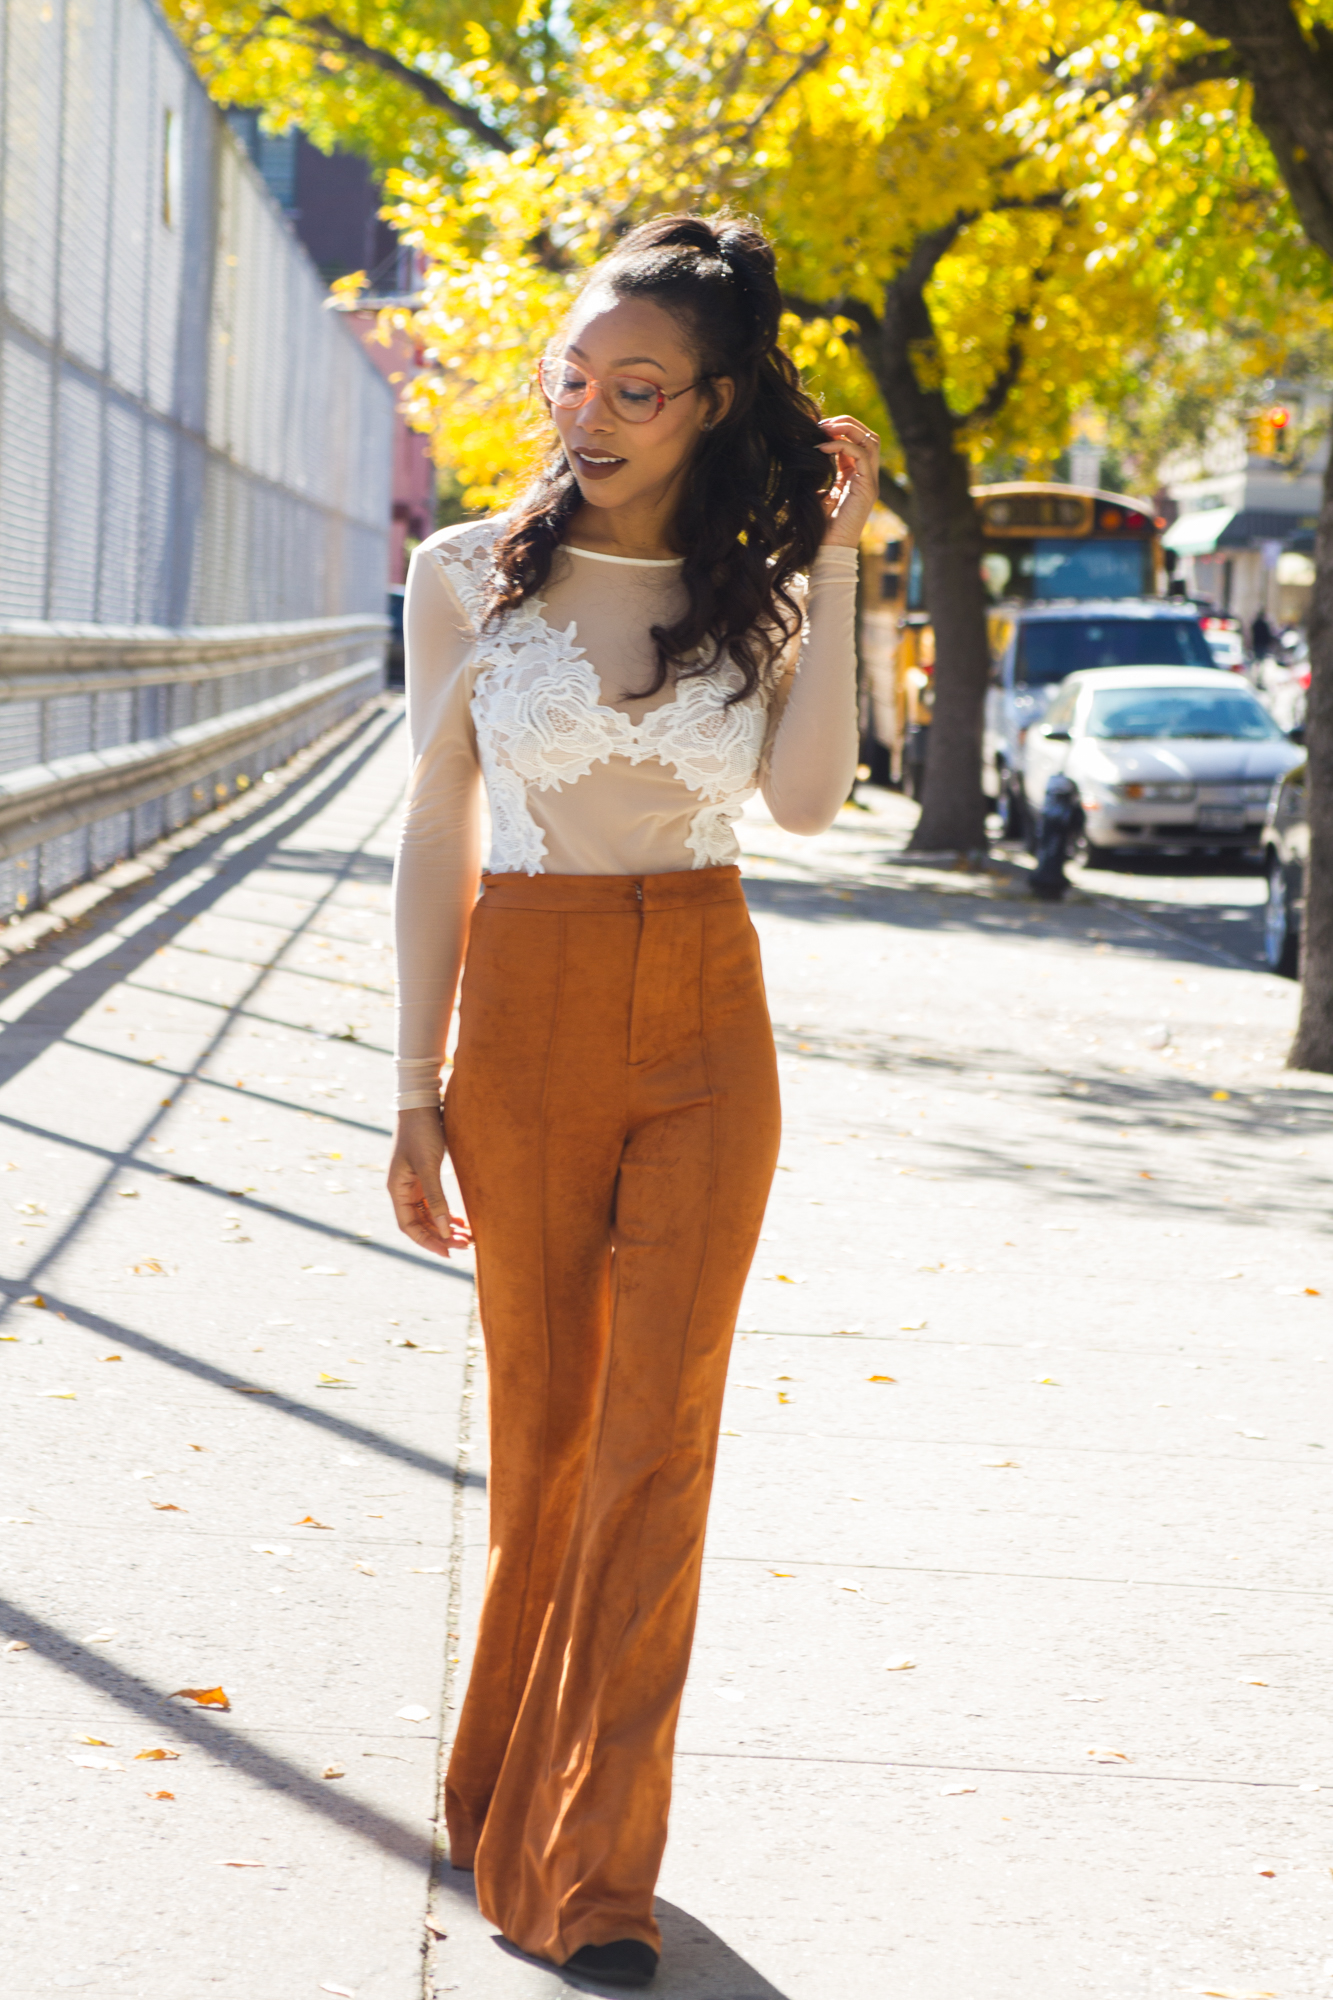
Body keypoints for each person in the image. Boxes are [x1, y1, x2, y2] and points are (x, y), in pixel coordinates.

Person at [387, 211, 878, 1989]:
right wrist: (412, 1087)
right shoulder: (467, 573)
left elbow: (812, 806)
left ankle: (595, 1869)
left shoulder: (752, 587)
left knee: (660, 1442)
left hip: (702, 1013)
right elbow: (434, 829)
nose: (587, 409)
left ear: (712, 403)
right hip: (518, 1016)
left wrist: (841, 572)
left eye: (637, 388)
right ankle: (501, 1784)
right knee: (553, 1446)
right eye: (572, 373)